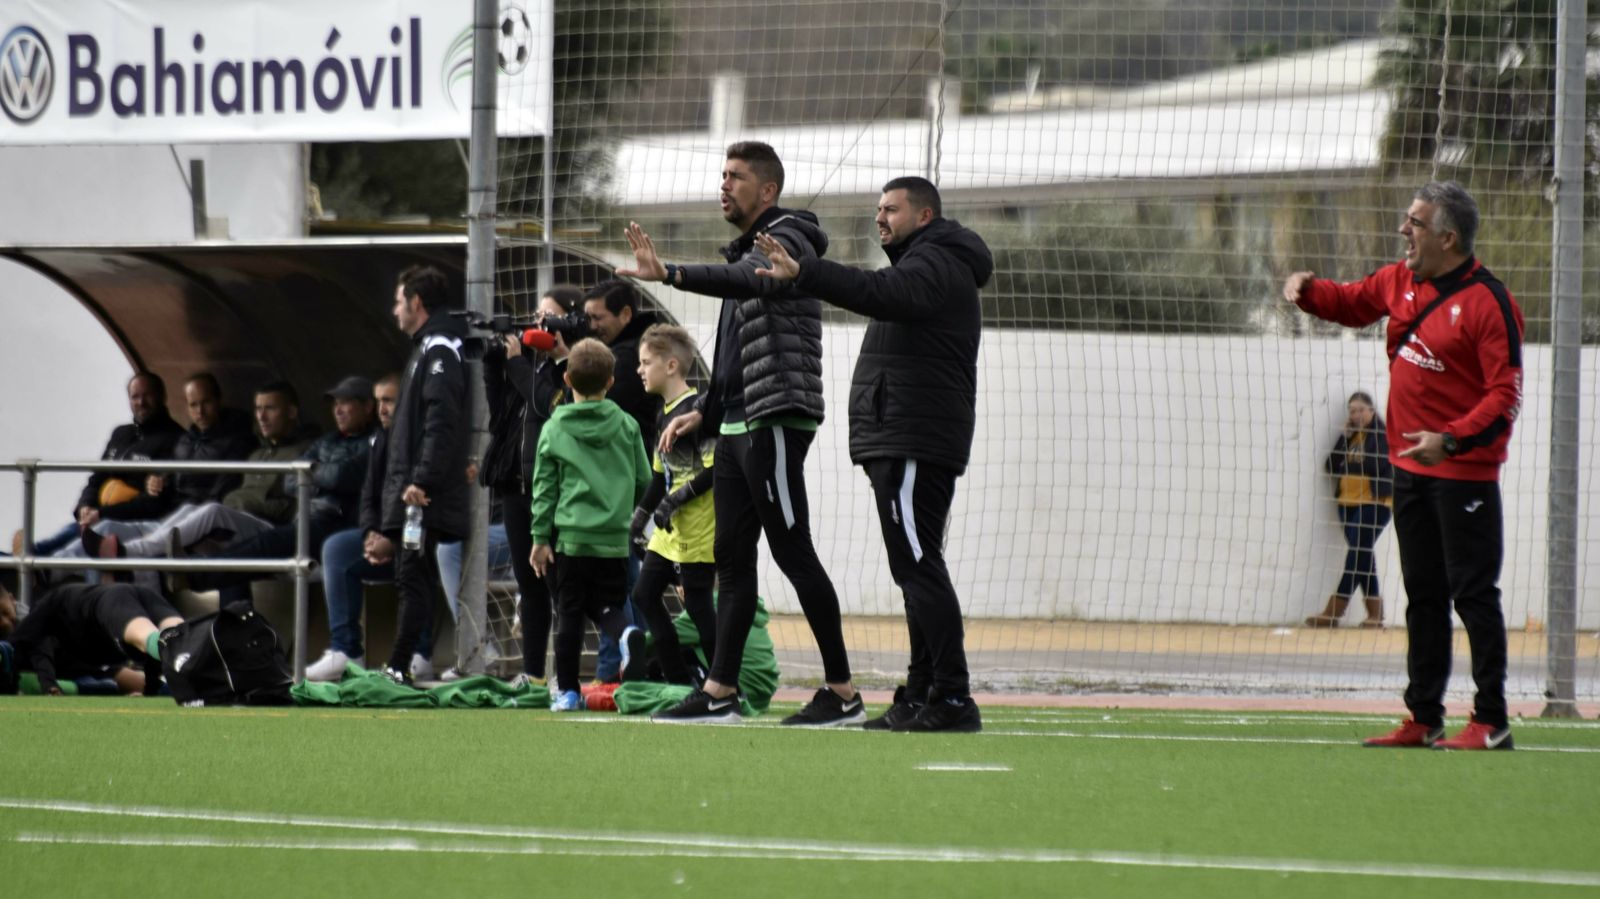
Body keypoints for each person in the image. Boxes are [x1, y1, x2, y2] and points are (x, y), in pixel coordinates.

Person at [618, 140, 863, 727]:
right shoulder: (745, 251)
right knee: (731, 557)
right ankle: (720, 690)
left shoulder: (789, 240)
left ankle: (844, 692)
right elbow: (732, 356)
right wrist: (703, 408)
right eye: (722, 175)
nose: (723, 185)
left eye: (736, 177)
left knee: (792, 549)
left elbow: (752, 281)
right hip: (733, 421)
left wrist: (671, 273)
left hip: (773, 417)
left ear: (768, 190)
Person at [1284, 180, 1524, 751]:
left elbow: (1505, 395)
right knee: (1423, 595)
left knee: (1474, 596)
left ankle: (1491, 721)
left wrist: (1452, 440)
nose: (1403, 231)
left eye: (1414, 223)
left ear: (1447, 236)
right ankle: (1424, 717)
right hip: (1408, 474)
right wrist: (1309, 290)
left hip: (1463, 476)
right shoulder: (1400, 280)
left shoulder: (1490, 302)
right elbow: (1349, 302)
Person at [753, 176, 991, 733]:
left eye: (892, 209)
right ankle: (922, 692)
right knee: (914, 566)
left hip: (915, 439)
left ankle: (953, 698)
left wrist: (807, 272)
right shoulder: (926, 261)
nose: (880, 218)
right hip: (903, 436)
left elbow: (879, 293)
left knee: (917, 565)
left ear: (924, 215)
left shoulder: (937, 264)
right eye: (878, 209)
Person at [528, 338, 651, 712]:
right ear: (611, 382)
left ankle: (567, 692)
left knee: (569, 615)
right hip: (615, 539)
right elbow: (645, 478)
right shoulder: (627, 424)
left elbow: (544, 487)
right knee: (608, 606)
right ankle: (625, 633)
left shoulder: (555, 428)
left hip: (572, 539)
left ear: (566, 379)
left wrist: (539, 537)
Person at [177, 376, 377, 603]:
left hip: (334, 524)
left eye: (345, 403)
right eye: (335, 404)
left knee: (265, 543)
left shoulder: (374, 442)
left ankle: (195, 576)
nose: (338, 410)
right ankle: (239, 631)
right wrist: (318, 477)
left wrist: (312, 476)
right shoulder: (327, 440)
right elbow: (291, 481)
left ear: (368, 407)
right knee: (245, 559)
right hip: (304, 520)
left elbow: (343, 476)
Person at [80, 382, 315, 563]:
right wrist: (162, 480)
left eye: (270, 409)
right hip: (233, 521)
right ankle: (55, 569)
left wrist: (243, 505)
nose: (261, 417)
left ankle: (132, 552)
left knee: (211, 510)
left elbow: (292, 507)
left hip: (268, 530)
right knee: (192, 510)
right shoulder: (257, 453)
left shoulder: (305, 452)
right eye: (258, 409)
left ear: (292, 412)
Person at [481, 286, 581, 686]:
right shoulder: (531, 365)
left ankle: (566, 675)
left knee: (558, 585)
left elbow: (547, 403)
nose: (538, 324)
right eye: (536, 316)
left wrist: (520, 364)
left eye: (548, 317)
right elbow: (499, 412)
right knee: (529, 584)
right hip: (514, 487)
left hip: (549, 491)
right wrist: (496, 363)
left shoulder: (572, 367)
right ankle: (533, 674)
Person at [378, 265, 470, 686]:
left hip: (423, 495)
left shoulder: (439, 348)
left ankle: (400, 665)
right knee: (411, 577)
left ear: (416, 303)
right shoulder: (429, 346)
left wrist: (422, 479)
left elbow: (441, 419)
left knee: (412, 578)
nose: (395, 310)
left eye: (399, 301)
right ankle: (402, 662)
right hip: (417, 489)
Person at [629, 324, 718, 685]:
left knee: (698, 607)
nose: (639, 369)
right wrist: (639, 519)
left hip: (698, 528)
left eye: (646, 362)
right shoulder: (662, 412)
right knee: (644, 594)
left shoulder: (700, 410)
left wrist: (675, 501)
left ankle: (724, 684)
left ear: (671, 366)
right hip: (668, 529)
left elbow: (713, 472)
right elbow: (658, 477)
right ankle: (679, 682)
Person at [582, 279, 661, 682]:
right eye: (585, 318)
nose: (590, 326)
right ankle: (634, 669)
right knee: (633, 586)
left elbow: (591, 418)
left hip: (620, 497)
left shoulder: (625, 364)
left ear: (625, 315)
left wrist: (569, 368)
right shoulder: (626, 355)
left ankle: (613, 671)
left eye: (598, 318)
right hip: (624, 495)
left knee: (617, 585)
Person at [18, 372, 185, 558]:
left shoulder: (175, 439)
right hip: (97, 517)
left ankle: (33, 567)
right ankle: (15, 561)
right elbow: (96, 478)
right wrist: (85, 506)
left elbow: (154, 502)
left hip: (130, 523)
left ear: (162, 396)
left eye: (147, 395)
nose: (141, 402)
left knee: (66, 544)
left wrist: (102, 514)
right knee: (54, 541)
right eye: (135, 397)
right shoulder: (121, 434)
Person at [0, 568, 180, 697]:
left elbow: (40, 648)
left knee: (153, 640)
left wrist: (49, 686)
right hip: (121, 606)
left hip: (105, 605)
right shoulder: (30, 628)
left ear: (11, 597)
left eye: (4, 612)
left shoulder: (28, 628)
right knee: (182, 641)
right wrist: (150, 692)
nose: (5, 621)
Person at [1305, 391, 1394, 629]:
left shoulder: (1381, 434)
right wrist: (1344, 438)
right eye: (1352, 411)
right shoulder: (1350, 436)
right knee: (1362, 555)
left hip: (1374, 503)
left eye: (1359, 410)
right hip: (1347, 503)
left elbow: (1379, 463)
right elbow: (1331, 465)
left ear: (1371, 411)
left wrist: (1354, 460)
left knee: (1357, 554)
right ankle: (1375, 616)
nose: (1355, 415)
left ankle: (1333, 612)